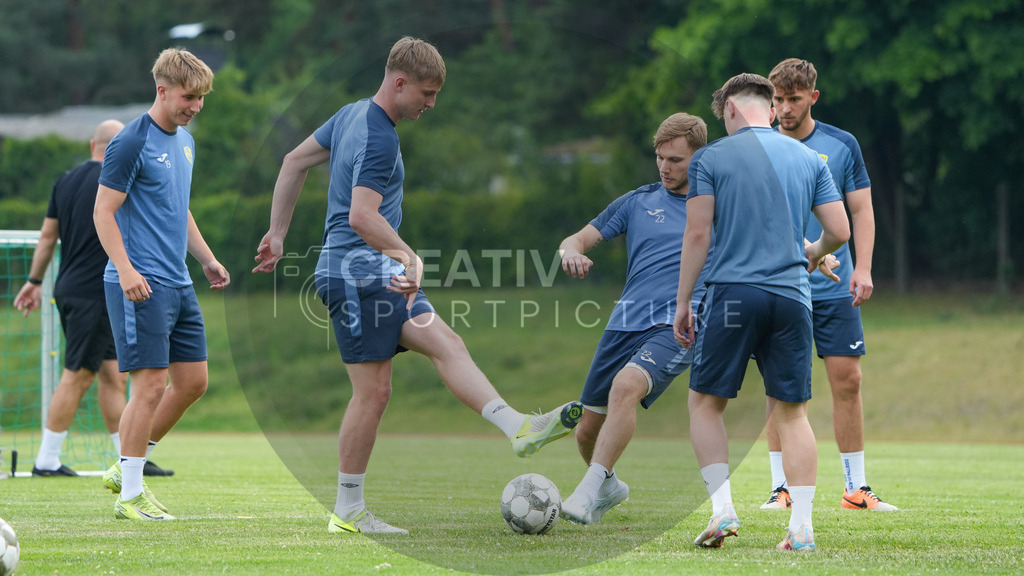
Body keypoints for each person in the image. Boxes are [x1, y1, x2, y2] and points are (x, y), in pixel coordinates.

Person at [252, 36, 581, 535]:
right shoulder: (380, 137)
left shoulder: (351, 114)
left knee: (447, 341)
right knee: (373, 393)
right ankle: (348, 510)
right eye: (426, 93)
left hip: (378, 274)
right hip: (356, 276)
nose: (431, 104)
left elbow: (293, 162)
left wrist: (278, 233)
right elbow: (363, 217)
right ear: (399, 82)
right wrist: (407, 254)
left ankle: (518, 426)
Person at [673, 73, 850, 551]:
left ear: (729, 111)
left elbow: (697, 234)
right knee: (793, 415)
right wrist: (810, 252)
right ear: (771, 111)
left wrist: (684, 300)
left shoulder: (711, 158)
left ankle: (723, 511)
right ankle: (802, 531)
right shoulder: (809, 157)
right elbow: (838, 230)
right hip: (794, 297)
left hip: (734, 295)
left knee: (706, 404)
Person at [93, 48, 230, 520]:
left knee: (193, 382)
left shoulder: (185, 142)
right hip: (139, 283)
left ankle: (125, 465)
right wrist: (127, 271)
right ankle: (131, 494)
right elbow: (103, 212)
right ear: (163, 90)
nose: (196, 106)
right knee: (149, 385)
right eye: (190, 97)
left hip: (178, 281)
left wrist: (207, 258)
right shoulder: (130, 142)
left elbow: (177, 208)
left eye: (202, 99)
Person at [556, 113, 708, 524]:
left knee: (626, 387)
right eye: (660, 157)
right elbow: (577, 238)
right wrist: (569, 252)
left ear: (699, 157)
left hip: (677, 325)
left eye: (675, 160)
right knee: (587, 432)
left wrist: (815, 253)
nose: (664, 167)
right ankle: (609, 485)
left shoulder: (717, 204)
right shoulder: (639, 201)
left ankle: (585, 497)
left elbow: (771, 233)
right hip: (623, 323)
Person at [757, 58, 894, 512]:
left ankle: (856, 489)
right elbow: (760, 218)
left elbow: (861, 212)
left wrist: (865, 268)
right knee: (782, 387)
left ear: (813, 97)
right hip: (781, 283)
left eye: (793, 99)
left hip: (836, 287)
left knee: (848, 379)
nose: (784, 108)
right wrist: (810, 249)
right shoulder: (759, 147)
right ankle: (782, 489)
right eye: (777, 99)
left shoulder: (841, 144)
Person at [12, 120, 173, 479]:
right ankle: (47, 460)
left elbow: (46, 237)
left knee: (113, 375)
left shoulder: (64, 181)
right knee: (78, 375)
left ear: (92, 145)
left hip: (70, 288)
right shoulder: (121, 180)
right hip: (93, 293)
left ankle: (129, 460)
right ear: (121, 148)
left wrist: (34, 280)